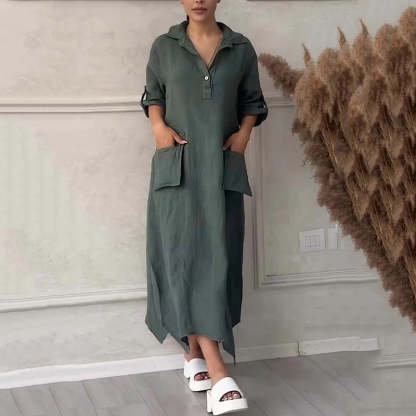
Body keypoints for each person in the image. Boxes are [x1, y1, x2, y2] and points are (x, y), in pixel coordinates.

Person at [140, 0, 268, 413]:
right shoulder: (164, 46)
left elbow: (253, 102)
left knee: (216, 261)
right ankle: (218, 372)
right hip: (176, 170)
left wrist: (244, 136)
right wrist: (158, 127)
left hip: (221, 169)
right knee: (184, 259)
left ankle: (192, 354)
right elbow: (153, 95)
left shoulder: (240, 48)